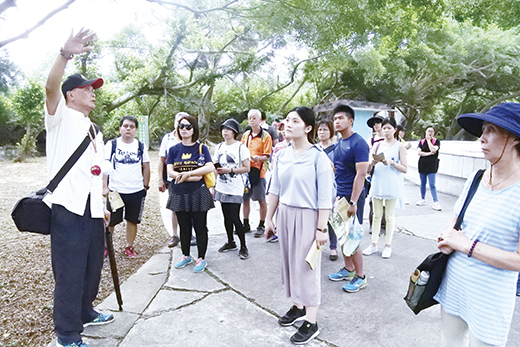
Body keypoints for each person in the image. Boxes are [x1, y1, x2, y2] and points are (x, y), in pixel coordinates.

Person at [43, 29, 114, 347]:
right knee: (69, 274)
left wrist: (105, 203)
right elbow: (50, 87)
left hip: (93, 209)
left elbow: (99, 172)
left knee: (91, 268)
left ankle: (85, 312)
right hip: (67, 209)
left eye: (93, 88)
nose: (93, 92)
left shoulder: (94, 129)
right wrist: (64, 54)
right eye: (87, 88)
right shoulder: (59, 118)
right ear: (71, 94)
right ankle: (67, 334)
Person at [436, 103, 520, 347]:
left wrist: (466, 245)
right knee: (448, 342)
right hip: (454, 284)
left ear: (514, 138)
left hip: (491, 298)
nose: (481, 138)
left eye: (491, 130)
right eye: (482, 130)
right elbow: (456, 221)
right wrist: (447, 238)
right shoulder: (476, 178)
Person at [265, 106, 334, 345]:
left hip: (308, 217)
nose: (288, 124)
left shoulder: (318, 157)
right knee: (289, 264)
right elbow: (275, 188)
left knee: (307, 268)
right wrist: (269, 217)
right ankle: (298, 306)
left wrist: (321, 229)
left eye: (295, 121)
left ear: (307, 128)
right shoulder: (281, 155)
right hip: (285, 213)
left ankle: (312, 321)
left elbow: (325, 197)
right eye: (286, 120)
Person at [327, 104, 370, 293]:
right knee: (341, 234)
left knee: (352, 237)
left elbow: (360, 175)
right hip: (339, 197)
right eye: (335, 119)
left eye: (340, 118)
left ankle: (360, 277)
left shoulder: (358, 142)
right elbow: (336, 170)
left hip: (352, 197)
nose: (336, 122)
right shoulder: (338, 143)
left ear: (350, 120)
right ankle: (348, 269)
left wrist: (353, 201)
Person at [166, 114, 215, 273]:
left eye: (188, 127)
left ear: (194, 129)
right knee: (184, 226)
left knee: (200, 226)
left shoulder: (202, 148)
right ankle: (185, 255)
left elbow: (209, 167)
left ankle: (201, 257)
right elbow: (169, 170)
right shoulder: (173, 149)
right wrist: (189, 177)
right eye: (182, 127)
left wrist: (188, 175)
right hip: (179, 192)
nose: (185, 130)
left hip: (198, 193)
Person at [102, 116, 150, 257]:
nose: (128, 129)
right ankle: (107, 247)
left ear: (136, 130)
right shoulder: (111, 145)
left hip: (135, 190)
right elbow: (105, 166)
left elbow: (146, 166)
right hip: (116, 191)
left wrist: (145, 186)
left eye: (132, 127)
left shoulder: (141, 146)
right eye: (125, 126)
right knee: (111, 220)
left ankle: (129, 246)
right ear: (120, 128)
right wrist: (104, 187)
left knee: (132, 220)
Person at [362, 117, 407, 259]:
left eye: (389, 128)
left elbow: (404, 168)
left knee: (389, 216)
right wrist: (373, 162)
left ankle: (388, 245)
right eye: (384, 128)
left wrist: (392, 162)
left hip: (392, 184)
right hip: (377, 183)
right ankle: (374, 244)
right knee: (376, 215)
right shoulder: (377, 145)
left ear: (395, 129)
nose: (386, 130)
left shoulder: (399, 146)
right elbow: (368, 168)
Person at [214, 118, 251, 259]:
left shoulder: (241, 148)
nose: (225, 131)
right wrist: (216, 175)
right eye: (223, 128)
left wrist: (230, 170)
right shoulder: (219, 147)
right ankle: (230, 241)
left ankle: (243, 246)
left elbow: (246, 168)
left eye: (228, 129)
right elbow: (215, 165)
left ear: (234, 132)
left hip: (235, 187)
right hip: (222, 186)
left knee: (235, 217)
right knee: (226, 216)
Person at [241, 109, 272, 237]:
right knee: (245, 199)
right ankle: (246, 223)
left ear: (260, 120)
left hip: (259, 172)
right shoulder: (246, 135)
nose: (252, 120)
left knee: (261, 199)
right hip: (246, 171)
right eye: (250, 118)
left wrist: (256, 158)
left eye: (254, 118)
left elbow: (267, 156)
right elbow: (241, 151)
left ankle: (261, 224)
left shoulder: (266, 136)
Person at [158, 112, 187, 248]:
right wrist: (160, 179)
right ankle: (174, 234)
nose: (182, 126)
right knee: (175, 207)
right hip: (172, 178)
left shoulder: (190, 137)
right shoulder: (168, 138)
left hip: (188, 177)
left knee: (188, 206)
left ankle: (187, 232)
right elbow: (161, 159)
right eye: (179, 122)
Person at [317, 119, 338, 261]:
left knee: (331, 218)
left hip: (332, 188)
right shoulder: (314, 149)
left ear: (331, 131)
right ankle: (316, 246)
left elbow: (340, 169)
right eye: (319, 130)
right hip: (316, 188)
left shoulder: (336, 149)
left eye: (325, 129)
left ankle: (333, 247)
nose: (322, 132)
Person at [416, 126, 442, 211]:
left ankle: (435, 202)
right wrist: (429, 154)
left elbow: (433, 149)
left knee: (432, 184)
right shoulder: (421, 142)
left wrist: (428, 141)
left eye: (431, 131)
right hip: (422, 165)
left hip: (432, 165)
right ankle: (422, 199)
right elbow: (419, 152)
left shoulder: (436, 141)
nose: (429, 133)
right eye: (428, 131)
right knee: (422, 183)